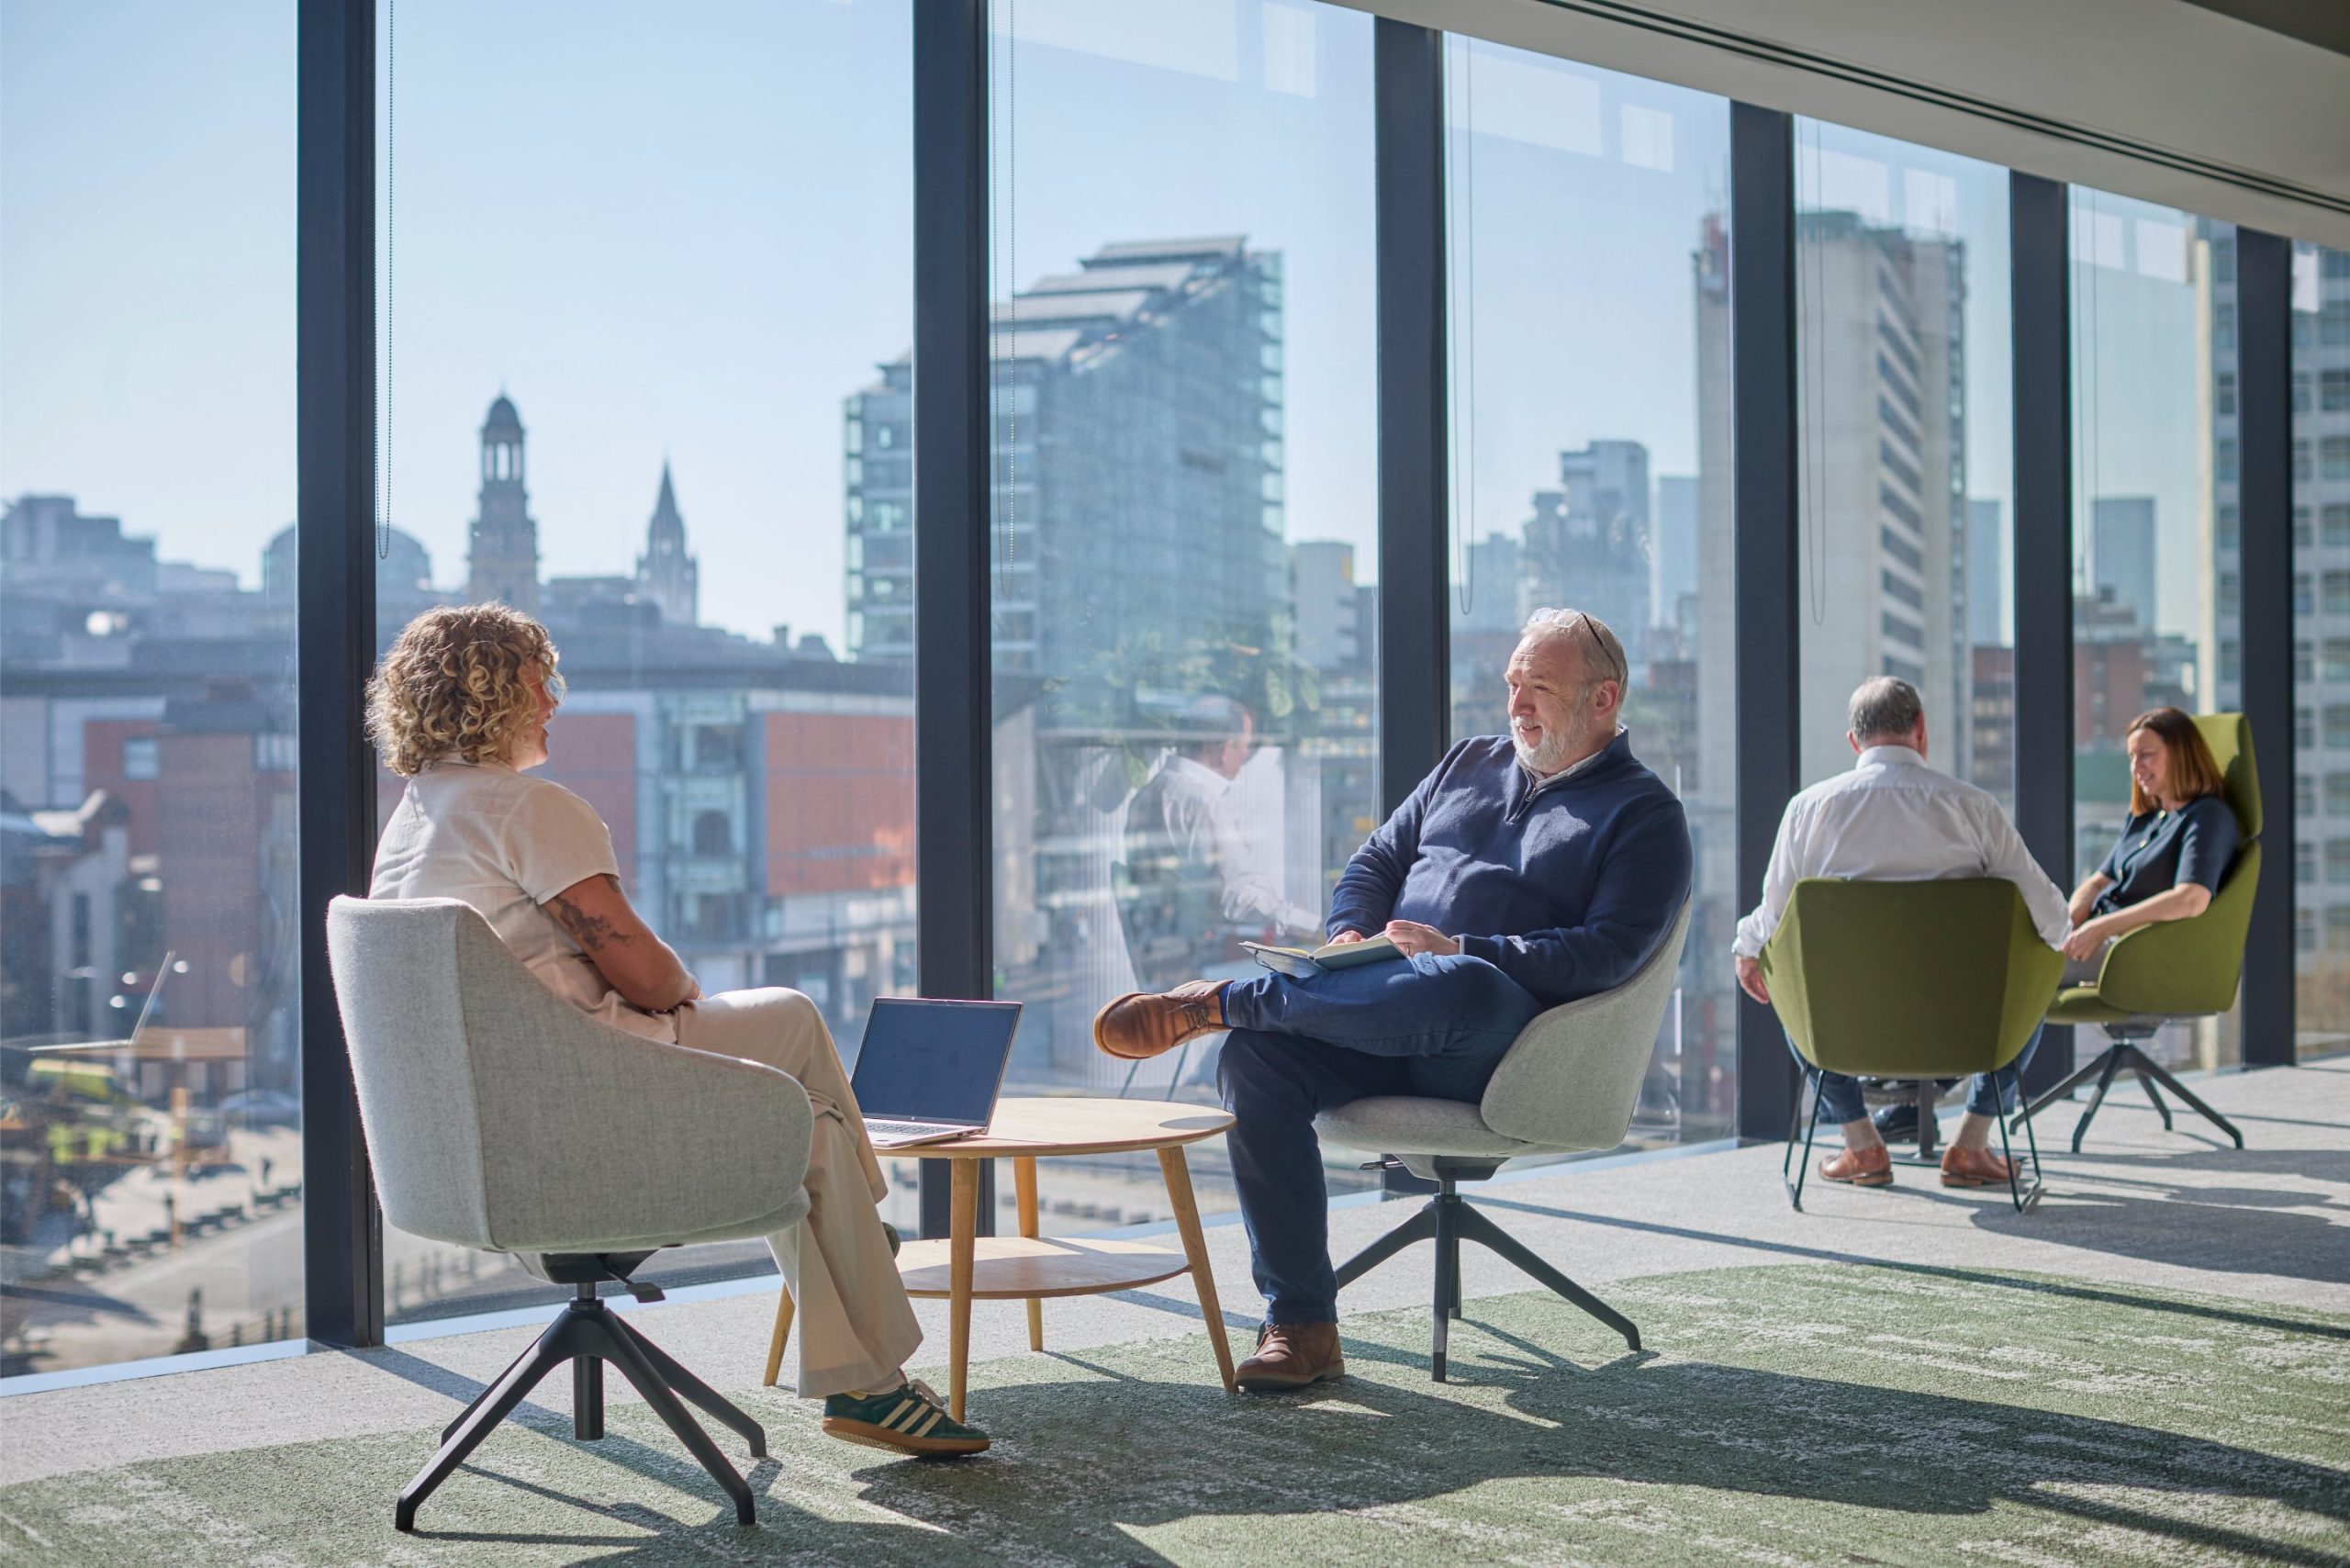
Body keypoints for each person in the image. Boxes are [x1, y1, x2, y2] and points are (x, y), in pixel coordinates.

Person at [364, 604, 985, 1458]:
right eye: (539, 680)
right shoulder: (522, 808)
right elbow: (647, 976)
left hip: (472, 1148)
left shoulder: (409, 825)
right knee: (798, 1027)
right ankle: (864, 1239)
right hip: (592, 1089)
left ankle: (868, 1358)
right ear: (493, 693)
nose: (554, 699)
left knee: (807, 1134)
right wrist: (679, 987)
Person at [1092, 609, 1690, 1392]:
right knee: (1256, 1060)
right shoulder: (1465, 765)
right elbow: (1374, 863)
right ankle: (1302, 1325)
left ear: (1603, 699)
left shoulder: (1645, 814)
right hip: (1378, 1010)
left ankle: (1227, 1000)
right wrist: (1347, 937)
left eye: (1539, 689)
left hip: (1504, 1048)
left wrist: (1465, 950)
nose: (1517, 705)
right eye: (1513, 685)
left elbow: (1608, 954)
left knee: (1460, 984)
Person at [1734, 677, 2069, 1190]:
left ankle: (1861, 1144)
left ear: (1854, 742)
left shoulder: (1808, 809)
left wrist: (1746, 951)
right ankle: (1972, 1145)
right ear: (1920, 728)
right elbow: (2051, 915)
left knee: (1786, 988)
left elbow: (1773, 915)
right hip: (1964, 1028)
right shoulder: (1974, 808)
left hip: (1845, 1030)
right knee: (2032, 990)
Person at [1122, 694, 1322, 991]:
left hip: (1166, 961)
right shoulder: (1201, 801)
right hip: (1201, 969)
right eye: (1244, 746)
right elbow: (1236, 897)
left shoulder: (1146, 796)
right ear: (1225, 749)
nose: (1246, 754)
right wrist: (1313, 925)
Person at [2061, 706, 2239, 984]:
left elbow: (2191, 899)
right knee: (2017, 962)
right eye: (2132, 757)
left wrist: (2100, 928)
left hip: (2136, 951)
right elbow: (2096, 883)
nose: (2136, 767)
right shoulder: (2143, 819)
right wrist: (2068, 926)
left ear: (2180, 754)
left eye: (2146, 755)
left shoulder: (2207, 816)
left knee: (2024, 974)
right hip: (2102, 938)